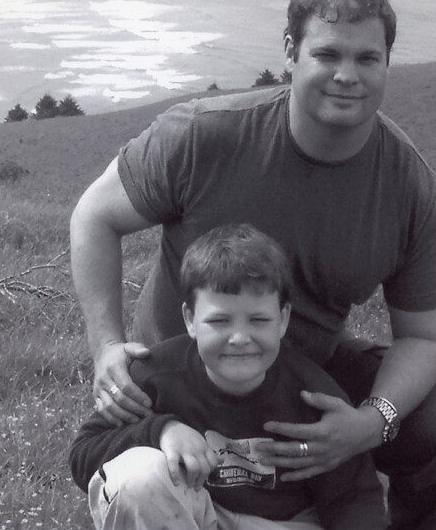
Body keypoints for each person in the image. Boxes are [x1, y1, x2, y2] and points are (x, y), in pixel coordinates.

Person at [69, 0, 436, 529]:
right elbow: (94, 216)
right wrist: (107, 346)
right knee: (142, 480)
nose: (347, 75)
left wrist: (373, 420)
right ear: (291, 52)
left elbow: (424, 334)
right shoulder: (204, 135)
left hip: (306, 374)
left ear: (388, 63)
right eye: (328, 54)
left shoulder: (407, 184)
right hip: (182, 376)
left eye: (368, 58)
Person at [70, 223, 387, 529]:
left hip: (281, 522)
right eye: (220, 321)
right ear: (191, 319)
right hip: (191, 514)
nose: (239, 338)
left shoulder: (314, 394)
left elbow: (355, 498)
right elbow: (84, 454)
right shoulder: (154, 376)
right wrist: (160, 430)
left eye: (259, 320)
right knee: (139, 477)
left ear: (283, 319)